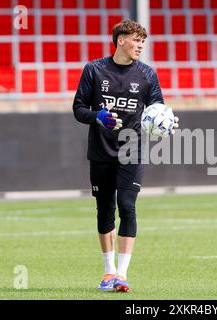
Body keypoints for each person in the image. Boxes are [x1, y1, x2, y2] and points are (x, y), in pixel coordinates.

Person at [72, 19, 178, 292]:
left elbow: (158, 110)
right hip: (100, 151)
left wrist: (169, 124)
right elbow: (78, 108)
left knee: (128, 205)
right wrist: (98, 117)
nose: (141, 45)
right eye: (136, 40)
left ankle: (122, 274)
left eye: (143, 41)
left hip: (133, 150)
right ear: (120, 40)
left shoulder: (147, 74)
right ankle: (108, 272)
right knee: (105, 210)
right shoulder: (94, 70)